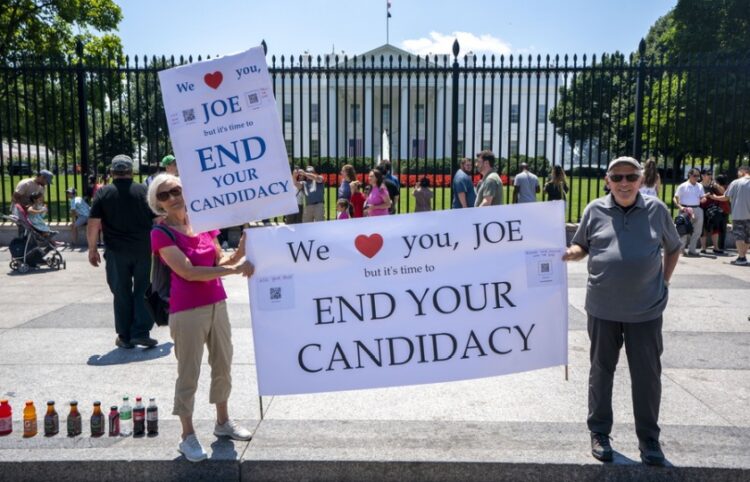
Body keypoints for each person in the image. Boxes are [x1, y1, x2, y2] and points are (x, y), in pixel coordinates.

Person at [563, 156, 681, 467]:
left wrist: (664, 282)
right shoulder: (595, 209)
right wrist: (568, 254)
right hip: (603, 307)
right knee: (601, 371)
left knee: (647, 376)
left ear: (642, 180)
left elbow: (674, 246)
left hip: (646, 308)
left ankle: (649, 439)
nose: (624, 183)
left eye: (631, 176)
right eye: (617, 177)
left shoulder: (657, 210)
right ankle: (599, 432)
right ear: (607, 180)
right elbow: (582, 246)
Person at [147, 174, 254, 462]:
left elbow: (217, 261)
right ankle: (187, 435)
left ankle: (222, 422)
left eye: (177, 190)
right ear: (158, 203)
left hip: (217, 303)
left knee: (223, 364)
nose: (173, 197)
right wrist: (233, 271)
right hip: (187, 310)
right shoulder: (161, 233)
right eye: (164, 195)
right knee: (188, 372)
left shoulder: (204, 223)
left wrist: (241, 252)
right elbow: (188, 272)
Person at [87, 155, 157, 349]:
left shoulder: (103, 193)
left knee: (121, 292)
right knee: (144, 290)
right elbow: (159, 220)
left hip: (117, 252)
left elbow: (93, 224)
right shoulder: (145, 191)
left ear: (112, 173)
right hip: (144, 249)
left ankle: (125, 336)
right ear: (132, 172)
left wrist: (92, 249)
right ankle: (141, 332)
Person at [710, 165, 750, 266]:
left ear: (742, 171)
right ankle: (742, 256)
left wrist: (714, 197)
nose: (737, 174)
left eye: (738, 172)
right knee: (748, 237)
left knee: (739, 236)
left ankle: (741, 258)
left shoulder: (736, 182)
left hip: (739, 213)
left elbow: (726, 197)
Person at [673, 168, 706, 256]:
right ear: (689, 175)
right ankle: (681, 249)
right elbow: (675, 198)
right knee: (683, 230)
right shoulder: (683, 186)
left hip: (697, 209)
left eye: (698, 176)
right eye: (695, 176)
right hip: (685, 209)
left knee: (697, 231)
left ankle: (692, 249)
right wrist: (680, 207)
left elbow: (702, 197)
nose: (697, 178)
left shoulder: (700, 186)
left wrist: (703, 199)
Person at [699, 169, 725, 255]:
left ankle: (716, 247)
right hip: (702, 208)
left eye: (711, 174)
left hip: (713, 209)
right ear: (702, 176)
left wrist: (716, 185)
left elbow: (724, 193)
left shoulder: (713, 185)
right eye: (708, 174)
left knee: (715, 227)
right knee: (704, 228)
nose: (710, 176)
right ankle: (703, 248)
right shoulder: (699, 185)